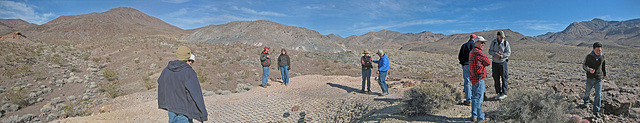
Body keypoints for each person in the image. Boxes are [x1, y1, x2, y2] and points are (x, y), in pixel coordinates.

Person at [157, 46, 208, 123]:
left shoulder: (167, 69)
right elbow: (196, 94)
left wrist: (164, 102)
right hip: (184, 112)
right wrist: (203, 114)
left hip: (171, 110)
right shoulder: (189, 72)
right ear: (187, 57)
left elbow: (161, 83)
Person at [581, 42, 606, 118]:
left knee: (598, 95)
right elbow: (584, 66)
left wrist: (604, 74)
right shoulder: (589, 56)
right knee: (587, 92)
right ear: (593, 49)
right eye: (597, 50)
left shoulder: (602, 57)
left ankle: (596, 111)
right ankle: (586, 103)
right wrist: (589, 70)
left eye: (600, 50)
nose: (599, 52)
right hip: (590, 78)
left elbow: (603, 66)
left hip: (598, 78)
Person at [469, 36, 491, 122]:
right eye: (482, 42)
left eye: (484, 43)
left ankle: (474, 115)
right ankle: (480, 118)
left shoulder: (472, 51)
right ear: (477, 42)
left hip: (474, 77)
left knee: (475, 97)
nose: (483, 44)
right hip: (479, 77)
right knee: (479, 98)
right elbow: (488, 62)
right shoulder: (478, 52)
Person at [489, 31, 511, 100]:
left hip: (503, 62)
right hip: (495, 63)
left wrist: (501, 56)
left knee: (504, 78)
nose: (502, 38)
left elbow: (508, 52)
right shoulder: (493, 42)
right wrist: (495, 54)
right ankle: (498, 92)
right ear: (497, 36)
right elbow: (490, 51)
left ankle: (504, 93)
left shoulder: (505, 43)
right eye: (501, 37)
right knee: (496, 78)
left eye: (503, 37)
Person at [458, 34, 476, 106]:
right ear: (474, 38)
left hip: (465, 65)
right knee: (475, 81)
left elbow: (460, 56)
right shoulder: (475, 45)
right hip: (473, 65)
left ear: (470, 38)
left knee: (467, 82)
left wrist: (462, 63)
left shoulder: (464, 45)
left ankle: (468, 99)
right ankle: (475, 98)